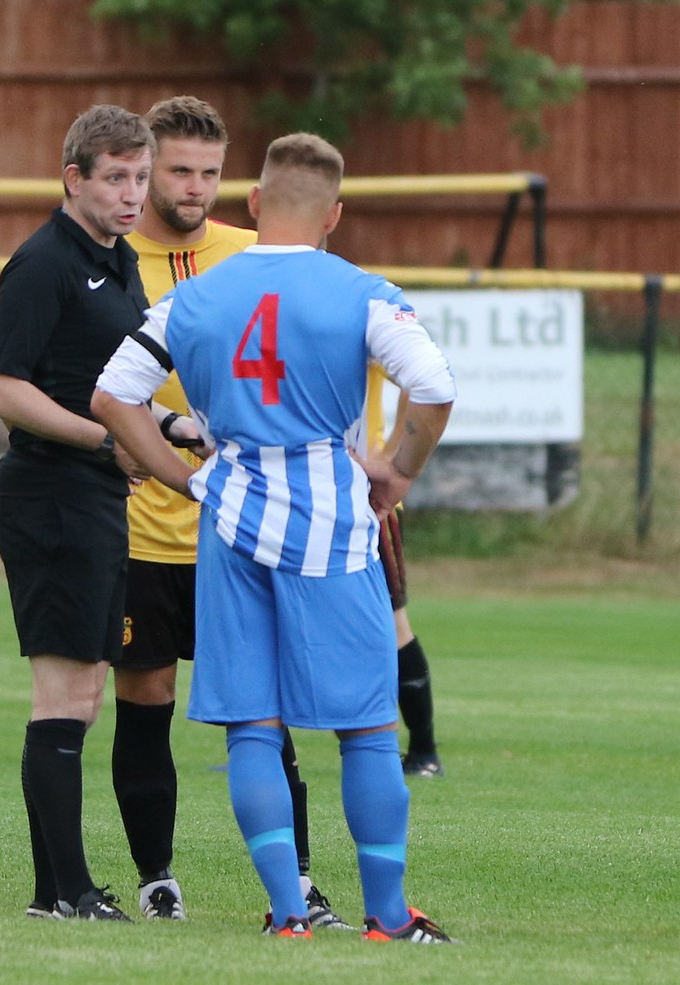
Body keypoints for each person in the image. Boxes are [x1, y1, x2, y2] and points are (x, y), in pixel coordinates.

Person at [93, 131, 457, 942]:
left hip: (229, 517)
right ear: (334, 214)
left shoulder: (193, 298)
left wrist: (178, 475)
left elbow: (113, 397)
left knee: (251, 722)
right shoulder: (362, 291)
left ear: (253, 205)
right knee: (365, 725)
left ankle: (288, 913)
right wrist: (397, 467)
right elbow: (432, 386)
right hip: (330, 520)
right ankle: (387, 914)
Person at [112, 94, 353, 930]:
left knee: (269, 712)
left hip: (250, 529)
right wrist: (168, 469)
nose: (193, 187)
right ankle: (156, 879)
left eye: (209, 172)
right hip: (146, 530)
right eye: (177, 170)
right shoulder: (109, 260)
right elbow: (104, 390)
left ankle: (300, 885)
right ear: (145, 171)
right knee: (145, 699)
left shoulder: (257, 254)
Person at [0, 104, 155, 922]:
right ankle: (65, 893)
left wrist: (172, 430)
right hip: (48, 495)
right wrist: (104, 440)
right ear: (73, 178)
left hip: (93, 496)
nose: (132, 194)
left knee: (84, 692)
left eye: (141, 178)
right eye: (115, 177)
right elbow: (2, 389)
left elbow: (118, 388)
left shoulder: (121, 264)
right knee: (63, 692)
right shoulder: (45, 261)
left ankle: (58, 890)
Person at [365, 376, 445, 778]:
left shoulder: (365, 315)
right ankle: (262, 743)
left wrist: (390, 450)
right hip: (304, 491)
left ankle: (424, 750)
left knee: (393, 624)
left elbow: (421, 380)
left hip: (366, 500)